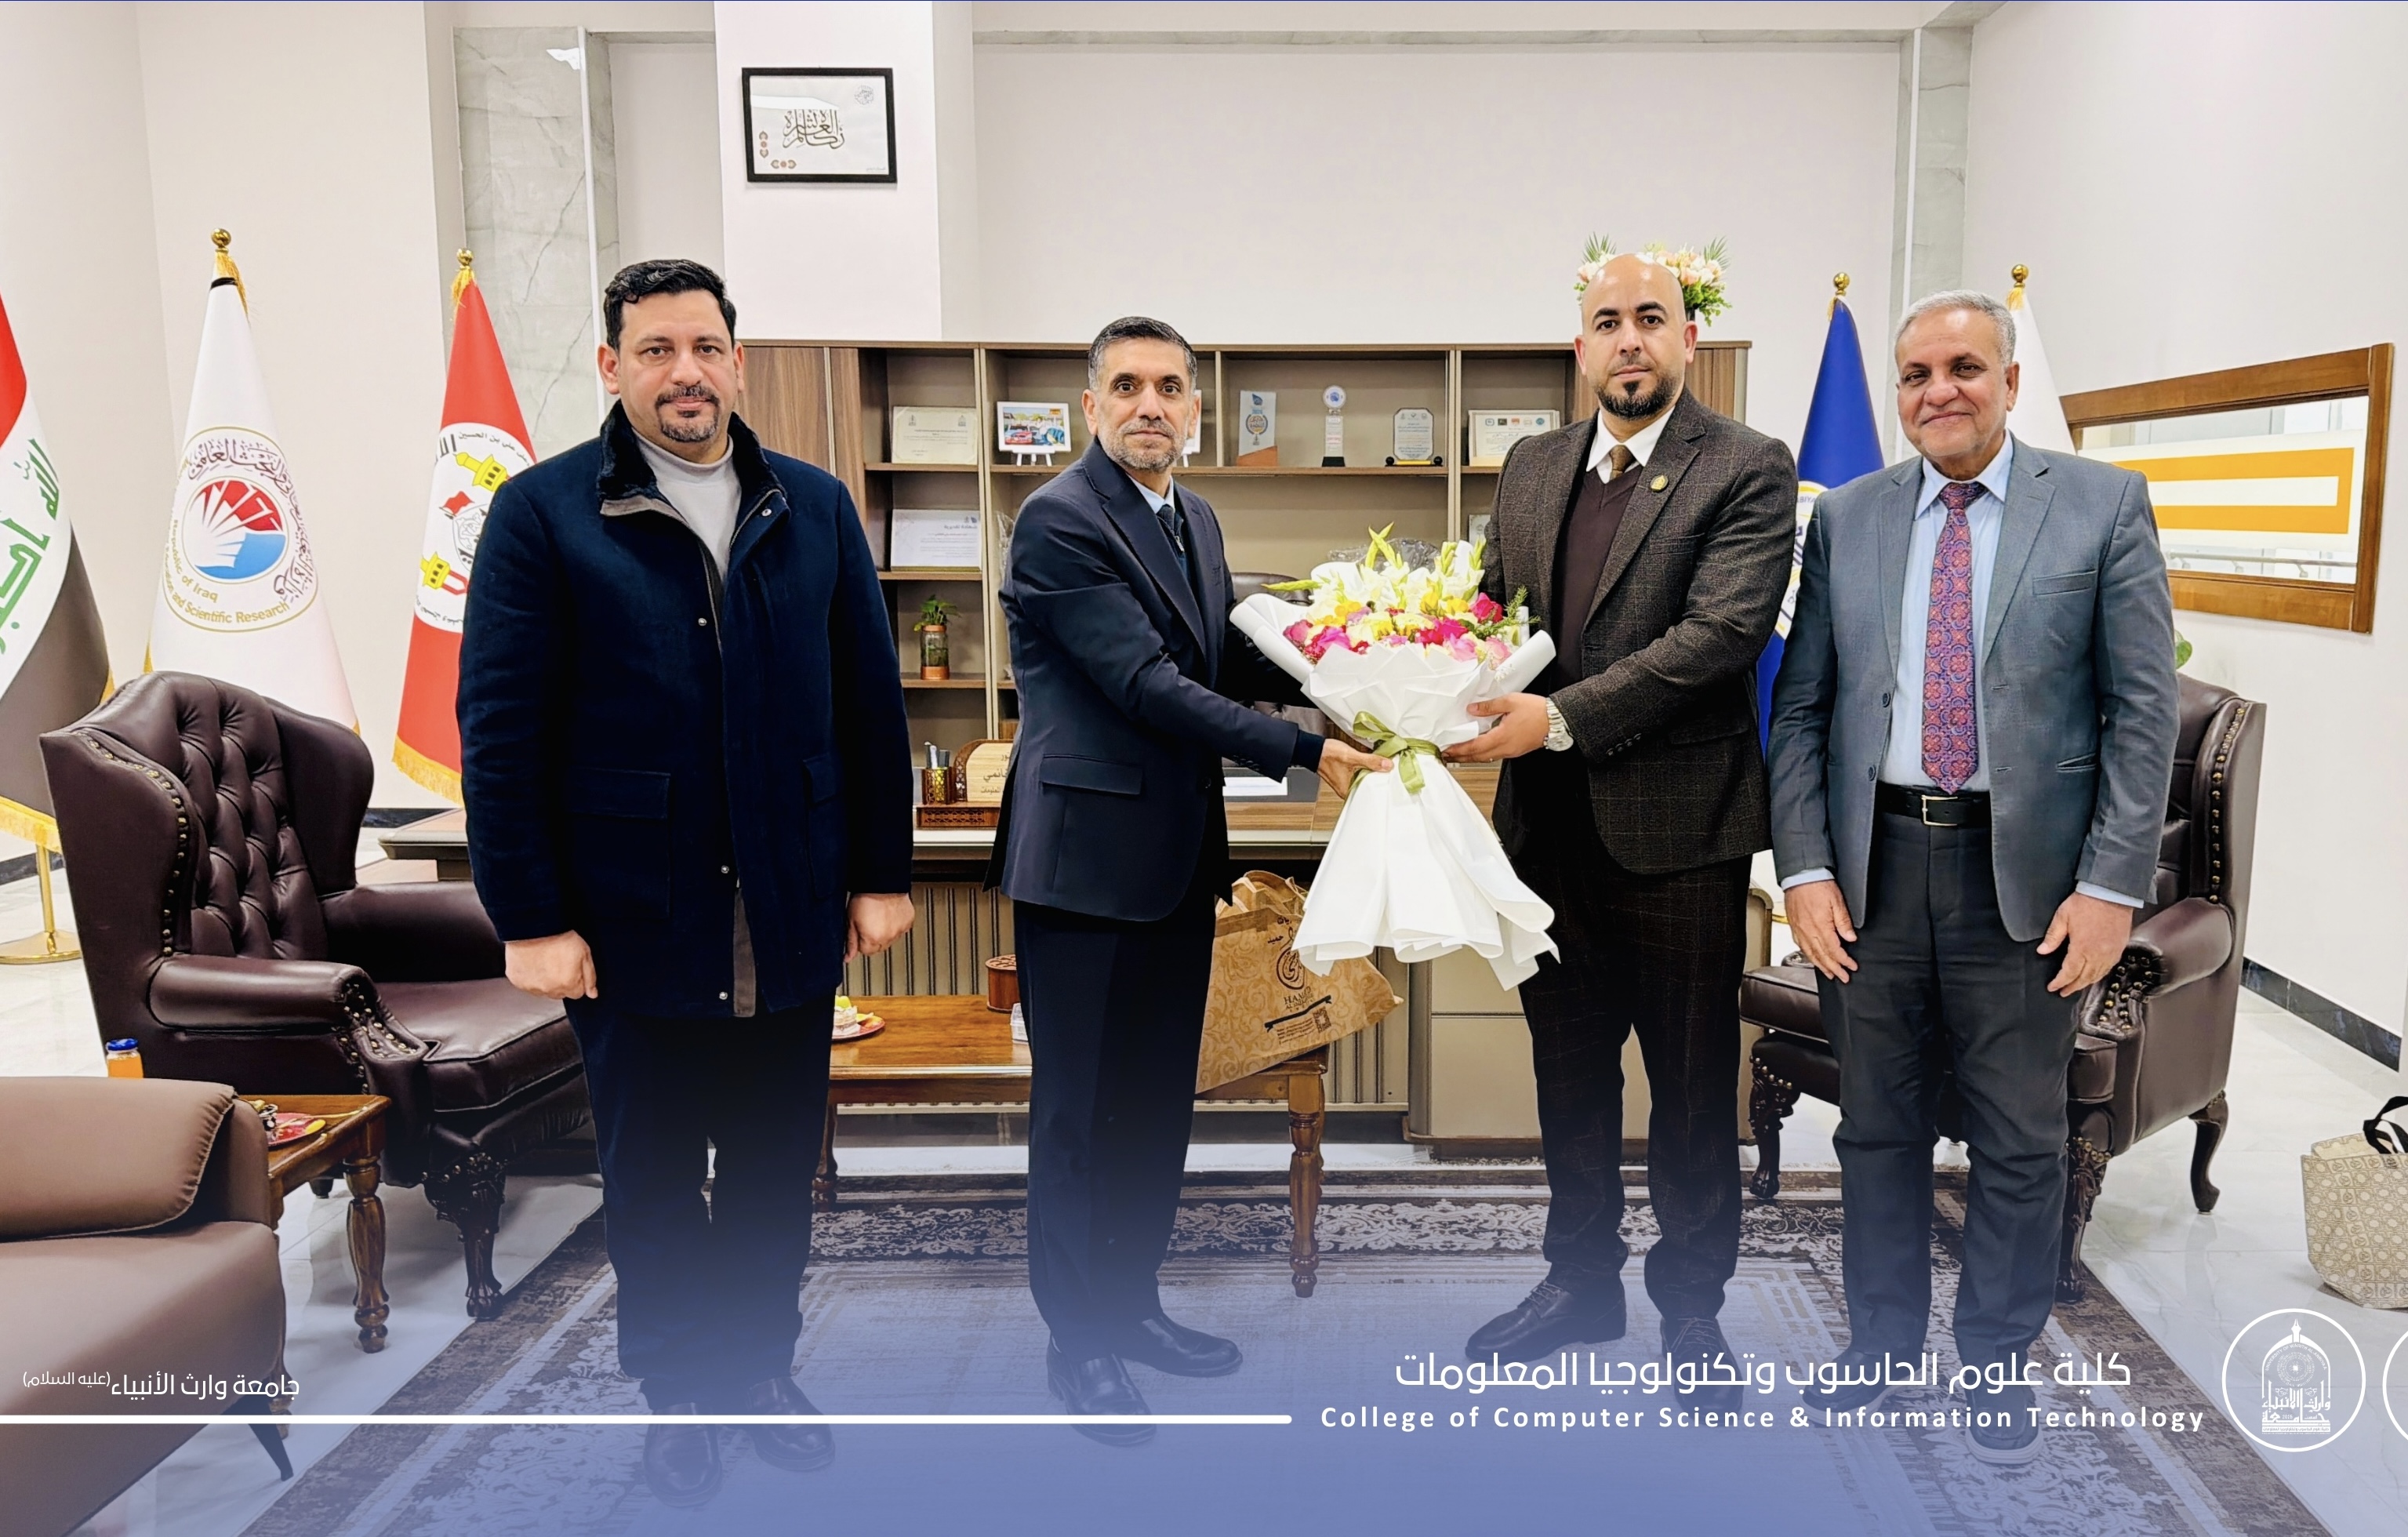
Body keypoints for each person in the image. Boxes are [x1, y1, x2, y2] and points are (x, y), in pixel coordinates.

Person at [458, 258, 914, 1506]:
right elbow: (498, 729)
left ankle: (761, 1371)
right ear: (612, 367)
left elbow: (869, 707)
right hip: (630, 915)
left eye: (706, 347)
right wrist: (530, 916)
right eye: (656, 350)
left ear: (737, 363)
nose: (685, 373)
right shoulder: (543, 513)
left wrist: (880, 871)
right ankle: (678, 1390)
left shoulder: (814, 505)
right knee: (654, 1174)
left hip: (789, 901)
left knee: (771, 1170)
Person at [1764, 289, 2177, 1463]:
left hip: (2030, 882)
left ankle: (1995, 1363)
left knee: (2019, 1139)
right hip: (1874, 872)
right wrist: (1804, 868)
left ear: (2008, 381)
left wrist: (2109, 888)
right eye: (1915, 374)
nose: (1937, 391)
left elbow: (2142, 713)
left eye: (1962, 368)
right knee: (1875, 1133)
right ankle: (1880, 1351)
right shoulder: (1847, 517)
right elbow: (1803, 711)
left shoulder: (2099, 506)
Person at [993, 314, 1389, 1444]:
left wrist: (1366, 664)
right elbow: (1147, 684)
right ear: (1091, 406)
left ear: (1196, 409)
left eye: (1169, 386)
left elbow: (1223, 652)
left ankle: (1131, 1307)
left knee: (1155, 1108)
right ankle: (1077, 1345)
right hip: (1080, 871)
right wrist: (1309, 746)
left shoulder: (1194, 517)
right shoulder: (1059, 520)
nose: (1149, 405)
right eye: (1126, 385)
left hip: (1171, 866)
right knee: (1080, 1118)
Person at [1440, 254, 1796, 1409]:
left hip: (1680, 840)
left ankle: (1692, 1309)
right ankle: (1579, 1282)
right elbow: (1492, 616)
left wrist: (1555, 721)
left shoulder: (1745, 466)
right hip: (1545, 841)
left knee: (1690, 1090)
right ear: (1580, 345)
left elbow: (1719, 638)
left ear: (1687, 338)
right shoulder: (1532, 466)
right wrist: (1420, 680)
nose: (1629, 339)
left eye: (1651, 318)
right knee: (1570, 1076)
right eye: (1607, 321)